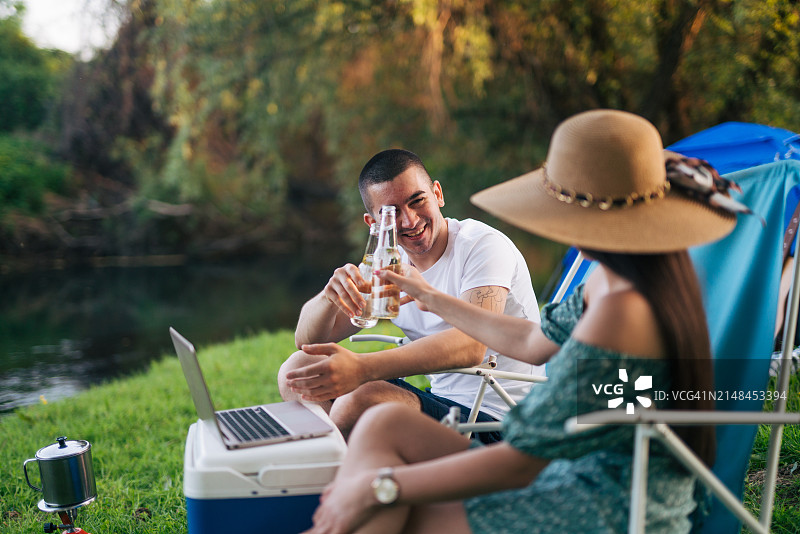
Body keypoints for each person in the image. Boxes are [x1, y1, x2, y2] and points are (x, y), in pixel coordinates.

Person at [303, 109, 746, 534]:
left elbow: (520, 460)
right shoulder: (618, 281)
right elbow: (534, 341)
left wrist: (380, 488)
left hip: (597, 503)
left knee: (393, 514)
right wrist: (428, 295)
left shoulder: (621, 313)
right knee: (384, 425)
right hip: (567, 467)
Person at [278, 149, 543, 441]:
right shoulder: (389, 264)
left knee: (359, 400)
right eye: (391, 213)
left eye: (417, 201)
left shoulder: (481, 246)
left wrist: (362, 368)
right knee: (296, 371)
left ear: (437, 194)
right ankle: (337, 467)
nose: (410, 220)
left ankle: (341, 471)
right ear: (375, 224)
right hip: (442, 403)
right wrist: (328, 299)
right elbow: (307, 342)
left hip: (500, 418)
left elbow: (472, 346)